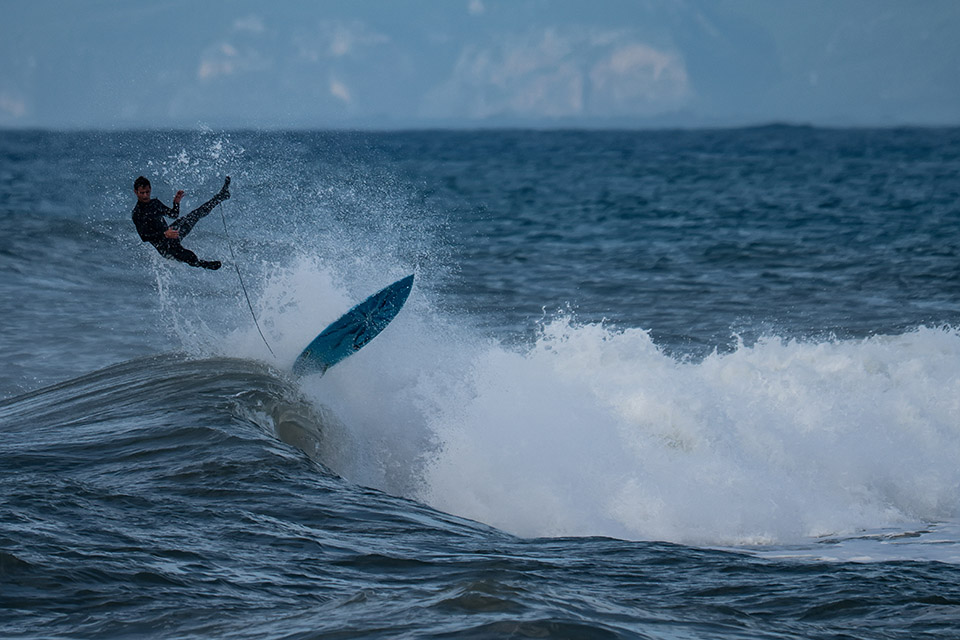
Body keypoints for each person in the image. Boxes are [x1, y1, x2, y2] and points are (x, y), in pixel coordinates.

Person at [131, 175, 231, 270]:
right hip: (165, 247)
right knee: (190, 256)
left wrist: (176, 203)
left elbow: (173, 215)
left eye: (147, 192)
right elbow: (144, 236)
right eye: (142, 193)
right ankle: (203, 264)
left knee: (195, 214)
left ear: (150, 189)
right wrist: (164, 234)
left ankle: (221, 196)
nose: (145, 195)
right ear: (136, 192)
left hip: (172, 233)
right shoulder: (137, 213)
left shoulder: (155, 203)